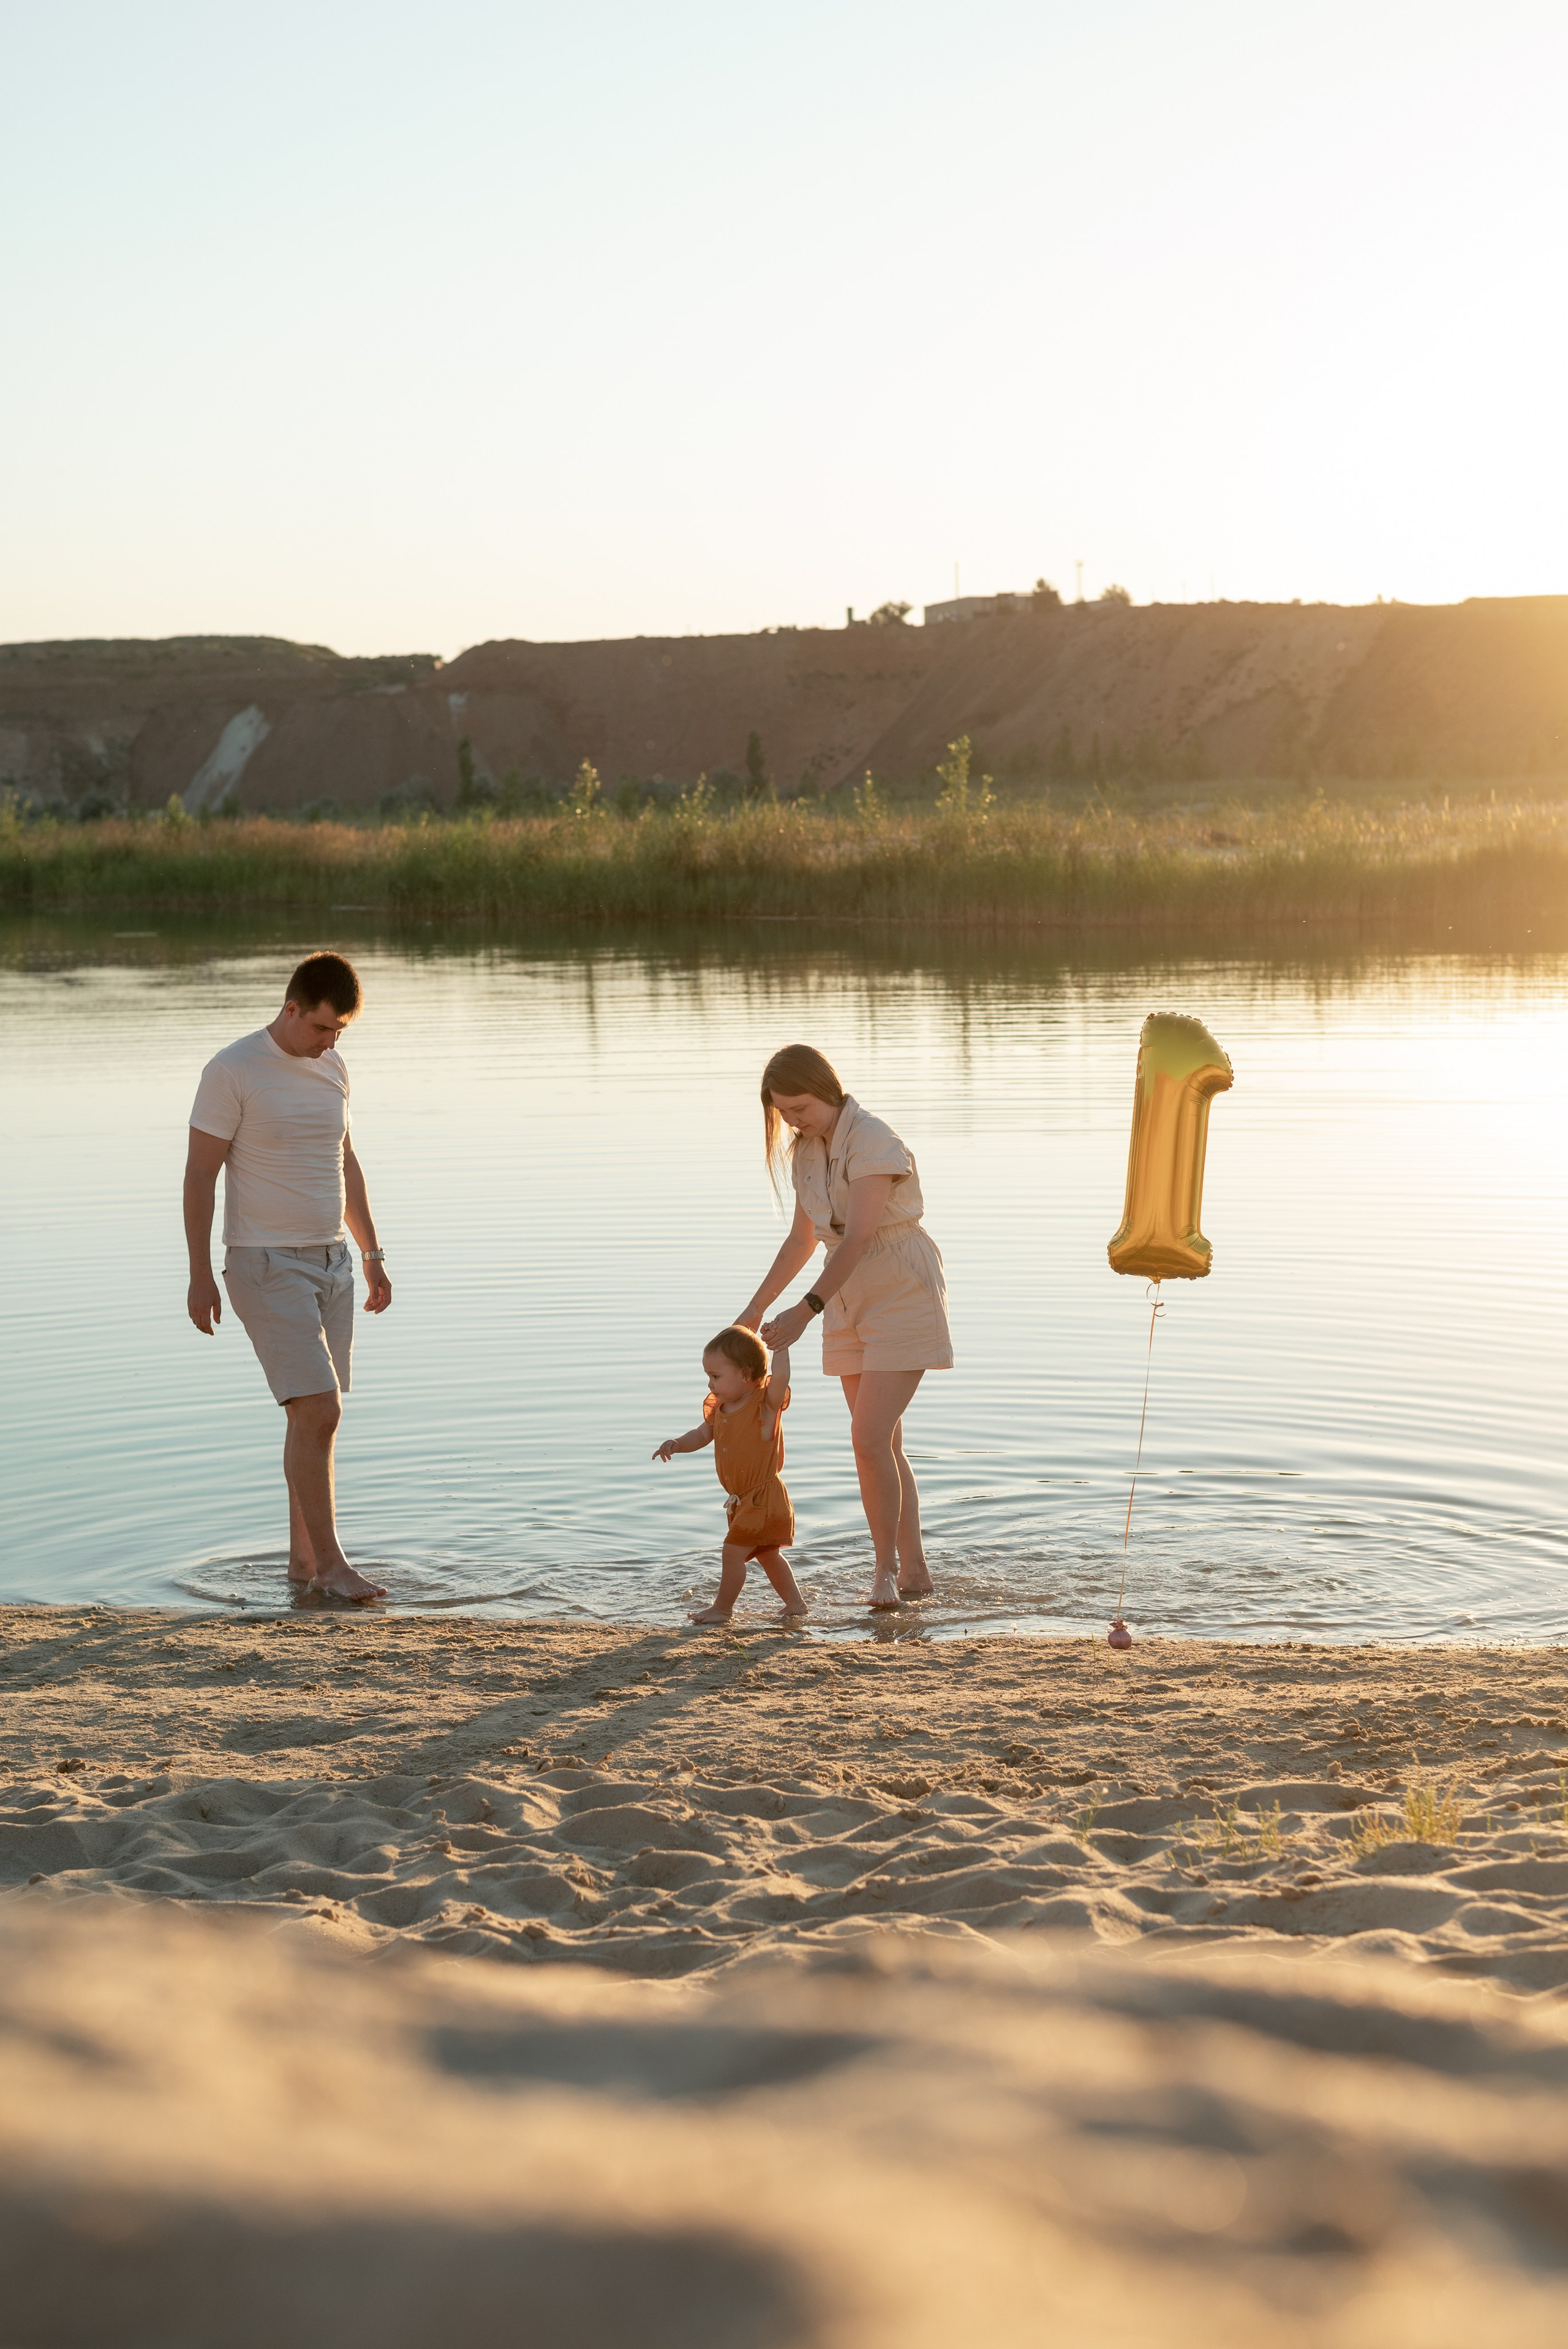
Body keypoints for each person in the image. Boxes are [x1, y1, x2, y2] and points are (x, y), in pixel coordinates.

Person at [183, 951, 390, 1602]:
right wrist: (199, 1274)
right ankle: (332, 1567)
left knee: (312, 1418)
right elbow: (199, 1176)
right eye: (322, 1027)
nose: (330, 1042)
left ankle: (304, 1565)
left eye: (340, 1032)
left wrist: (372, 1254)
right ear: (291, 1008)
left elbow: (344, 1159)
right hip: (265, 1263)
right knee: (319, 1407)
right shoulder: (233, 1070)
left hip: (333, 1261)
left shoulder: (333, 1067)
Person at [737, 1044, 951, 1611]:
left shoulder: (873, 1140)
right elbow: (801, 1241)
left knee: (868, 1438)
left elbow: (858, 1237)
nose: (793, 1121)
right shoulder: (807, 1151)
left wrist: (804, 1311)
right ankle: (915, 1571)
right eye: (783, 1112)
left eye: (801, 1108)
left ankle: (885, 1572)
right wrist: (755, 1310)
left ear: (828, 1091)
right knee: (881, 1442)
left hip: (899, 1287)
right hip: (846, 1294)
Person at [653, 1325, 807, 1624]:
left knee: (732, 1553)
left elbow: (781, 1378)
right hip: (744, 1501)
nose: (710, 1384)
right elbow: (701, 1434)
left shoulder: (764, 1407)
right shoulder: (721, 1408)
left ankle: (723, 1610)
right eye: (708, 1376)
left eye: (716, 1376)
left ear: (746, 1375)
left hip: (763, 1499)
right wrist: (677, 1444)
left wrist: (781, 1346)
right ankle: (796, 1605)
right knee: (768, 1554)